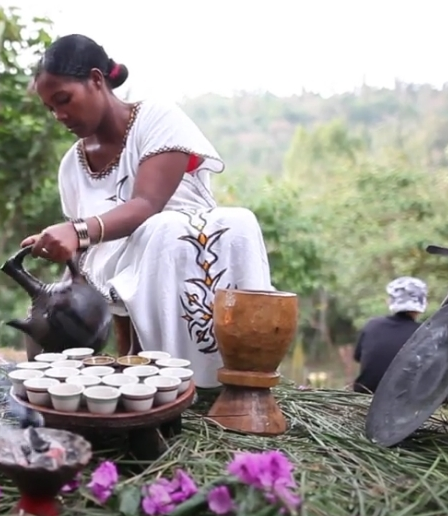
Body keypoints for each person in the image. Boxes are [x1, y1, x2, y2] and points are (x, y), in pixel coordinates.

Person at [24, 34, 274, 388]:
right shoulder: (71, 167)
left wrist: (77, 230)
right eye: (51, 108)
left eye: (64, 100)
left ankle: (194, 380)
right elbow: (90, 251)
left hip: (189, 263)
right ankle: (136, 374)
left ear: (97, 80)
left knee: (161, 230)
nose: (60, 115)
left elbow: (146, 205)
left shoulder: (156, 118)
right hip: (120, 290)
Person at [352, 277, 427, 394]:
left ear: (390, 301)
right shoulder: (425, 333)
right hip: (403, 400)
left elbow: (357, 357)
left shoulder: (371, 325)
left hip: (364, 396)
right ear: (422, 303)